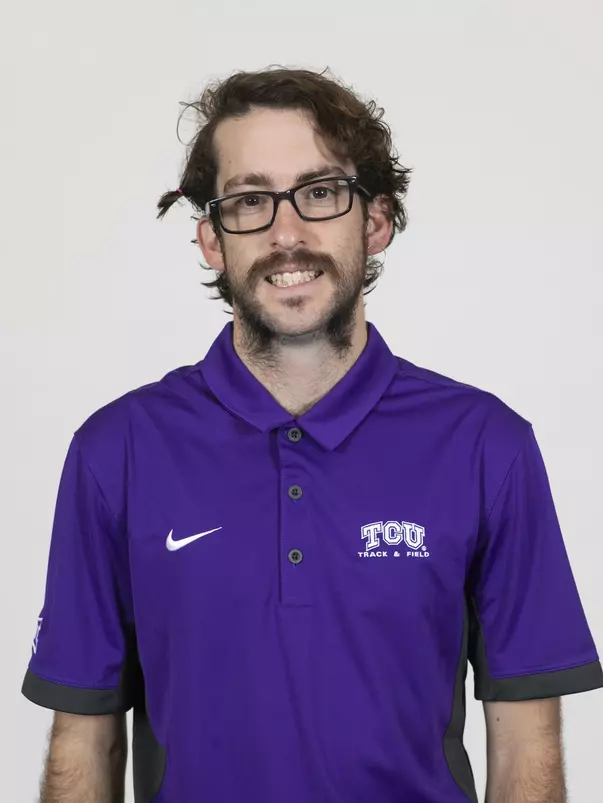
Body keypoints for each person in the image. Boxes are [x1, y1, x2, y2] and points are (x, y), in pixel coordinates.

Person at [22, 66, 602, 803]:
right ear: (210, 237)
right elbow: (84, 739)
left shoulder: (486, 445)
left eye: (320, 192)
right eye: (250, 200)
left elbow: (525, 738)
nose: (286, 233)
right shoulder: (118, 451)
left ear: (376, 220)